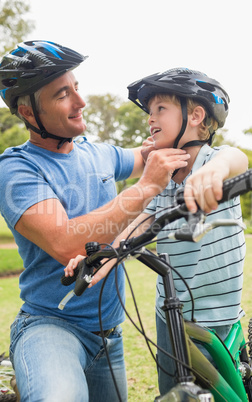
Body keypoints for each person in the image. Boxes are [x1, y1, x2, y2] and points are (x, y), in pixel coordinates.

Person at [0, 42, 190, 402]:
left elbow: (155, 151)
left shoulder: (97, 152)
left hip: (109, 337)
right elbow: (67, 243)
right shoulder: (16, 168)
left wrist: (205, 135)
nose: (79, 102)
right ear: (28, 111)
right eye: (62, 95)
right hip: (52, 326)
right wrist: (146, 186)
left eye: (76, 88)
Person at [66, 68, 248, 396]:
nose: (150, 119)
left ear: (195, 115)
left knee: (225, 387)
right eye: (149, 112)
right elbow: (138, 226)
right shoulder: (162, 175)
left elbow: (238, 159)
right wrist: (98, 261)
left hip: (217, 310)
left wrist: (217, 172)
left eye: (160, 109)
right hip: (171, 312)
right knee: (175, 389)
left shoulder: (213, 161)